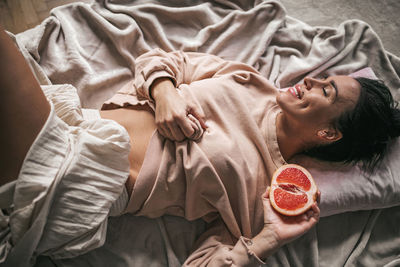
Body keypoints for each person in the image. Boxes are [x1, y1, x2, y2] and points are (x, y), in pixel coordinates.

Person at [0, 24, 399, 266]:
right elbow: (164, 61)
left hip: (84, 178)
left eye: (326, 90)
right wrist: (165, 92)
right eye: (323, 76)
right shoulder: (249, 80)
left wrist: (268, 240)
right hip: (74, 121)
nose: (311, 80)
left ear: (328, 134)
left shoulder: (265, 188)